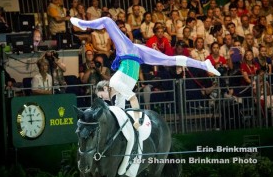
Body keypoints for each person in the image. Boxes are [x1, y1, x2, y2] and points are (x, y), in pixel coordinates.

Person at [70, 17, 220, 130]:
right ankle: (203, 64)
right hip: (137, 56)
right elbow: (119, 113)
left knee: (108, 21)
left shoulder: (114, 82)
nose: (106, 99)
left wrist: (137, 120)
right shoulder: (118, 96)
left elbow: (134, 100)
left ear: (105, 88)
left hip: (128, 51)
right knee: (169, 60)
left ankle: (82, 24)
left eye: (103, 96)